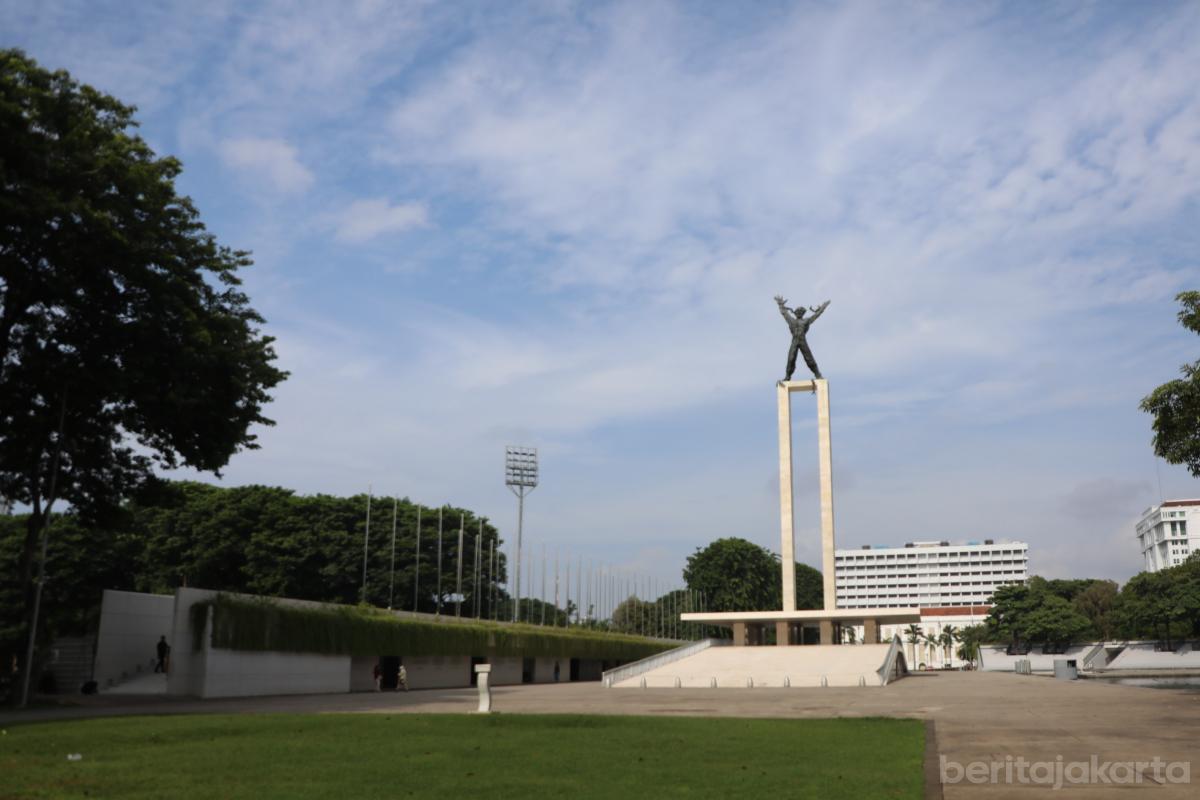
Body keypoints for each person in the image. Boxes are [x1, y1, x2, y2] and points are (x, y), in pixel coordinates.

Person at [774, 295, 830, 381]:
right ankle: (788, 376)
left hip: (802, 341)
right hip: (795, 341)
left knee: (809, 358)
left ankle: (817, 374)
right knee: (791, 358)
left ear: (803, 314)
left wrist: (822, 308)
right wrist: (780, 304)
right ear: (795, 313)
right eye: (798, 312)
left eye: (801, 312)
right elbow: (784, 313)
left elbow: (816, 315)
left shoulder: (806, 321)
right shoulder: (791, 320)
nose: (799, 313)